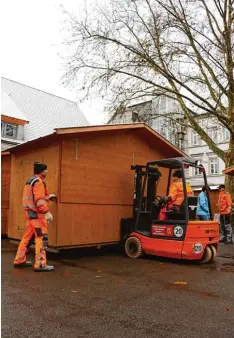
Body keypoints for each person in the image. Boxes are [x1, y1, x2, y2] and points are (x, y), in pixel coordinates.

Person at [13, 162, 57, 271]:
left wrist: (48, 197)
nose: (47, 171)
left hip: (29, 213)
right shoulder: (39, 182)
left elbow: (34, 198)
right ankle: (41, 264)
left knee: (27, 238)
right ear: (41, 171)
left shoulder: (31, 181)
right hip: (37, 215)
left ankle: (19, 259)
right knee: (41, 238)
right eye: (45, 170)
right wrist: (46, 212)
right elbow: (38, 200)